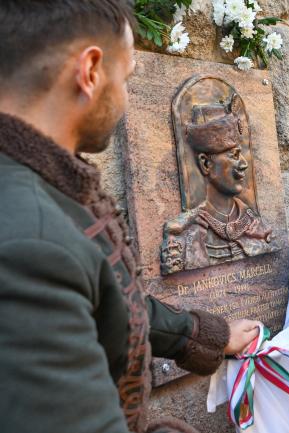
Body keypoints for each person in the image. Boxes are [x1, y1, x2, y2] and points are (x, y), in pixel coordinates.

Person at [0, 2, 261, 433]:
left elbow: (107, 298)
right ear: (90, 72)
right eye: (126, 78)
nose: (123, 96)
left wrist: (203, 335)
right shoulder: (32, 239)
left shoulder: (46, 187)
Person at [161, 105, 277, 275]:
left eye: (242, 154)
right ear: (205, 164)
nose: (244, 164)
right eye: (234, 155)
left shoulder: (258, 227)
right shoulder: (182, 236)